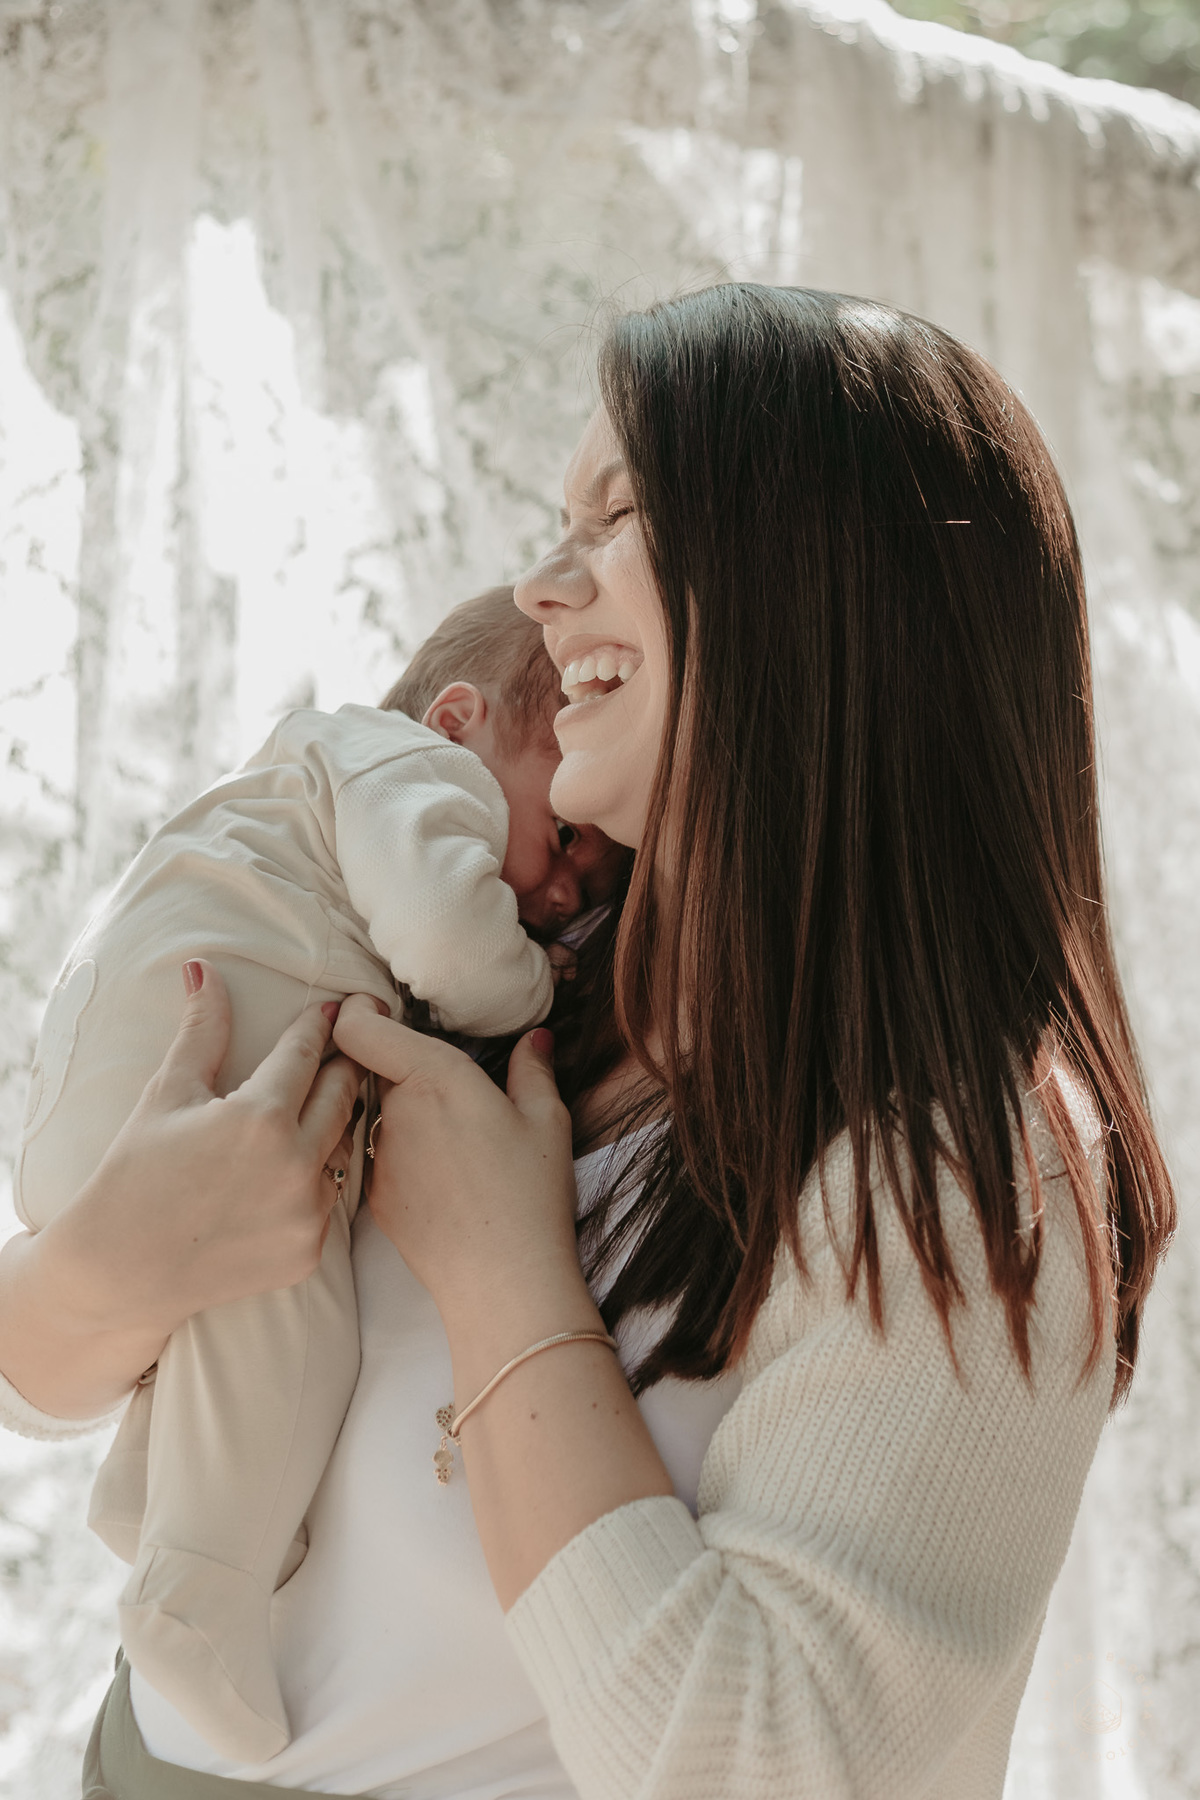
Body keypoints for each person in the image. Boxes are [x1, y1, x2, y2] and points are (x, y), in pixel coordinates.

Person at [0, 283, 1175, 1800]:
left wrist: (503, 1273)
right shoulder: (513, 977)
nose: (545, 590)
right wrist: (115, 1256)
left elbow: (760, 1764)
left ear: (815, 596)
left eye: (618, 520)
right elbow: (48, 1379)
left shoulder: (967, 1160)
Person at [8, 586, 625, 1768]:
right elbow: (454, 946)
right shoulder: (403, 770)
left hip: (137, 1079)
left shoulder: (318, 787)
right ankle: (200, 1596)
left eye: (586, 894)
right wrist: (535, 987)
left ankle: (168, 1514)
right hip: (203, 1062)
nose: (562, 893)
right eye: (565, 845)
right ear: (456, 721)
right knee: (299, 1329)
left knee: (236, 1333)